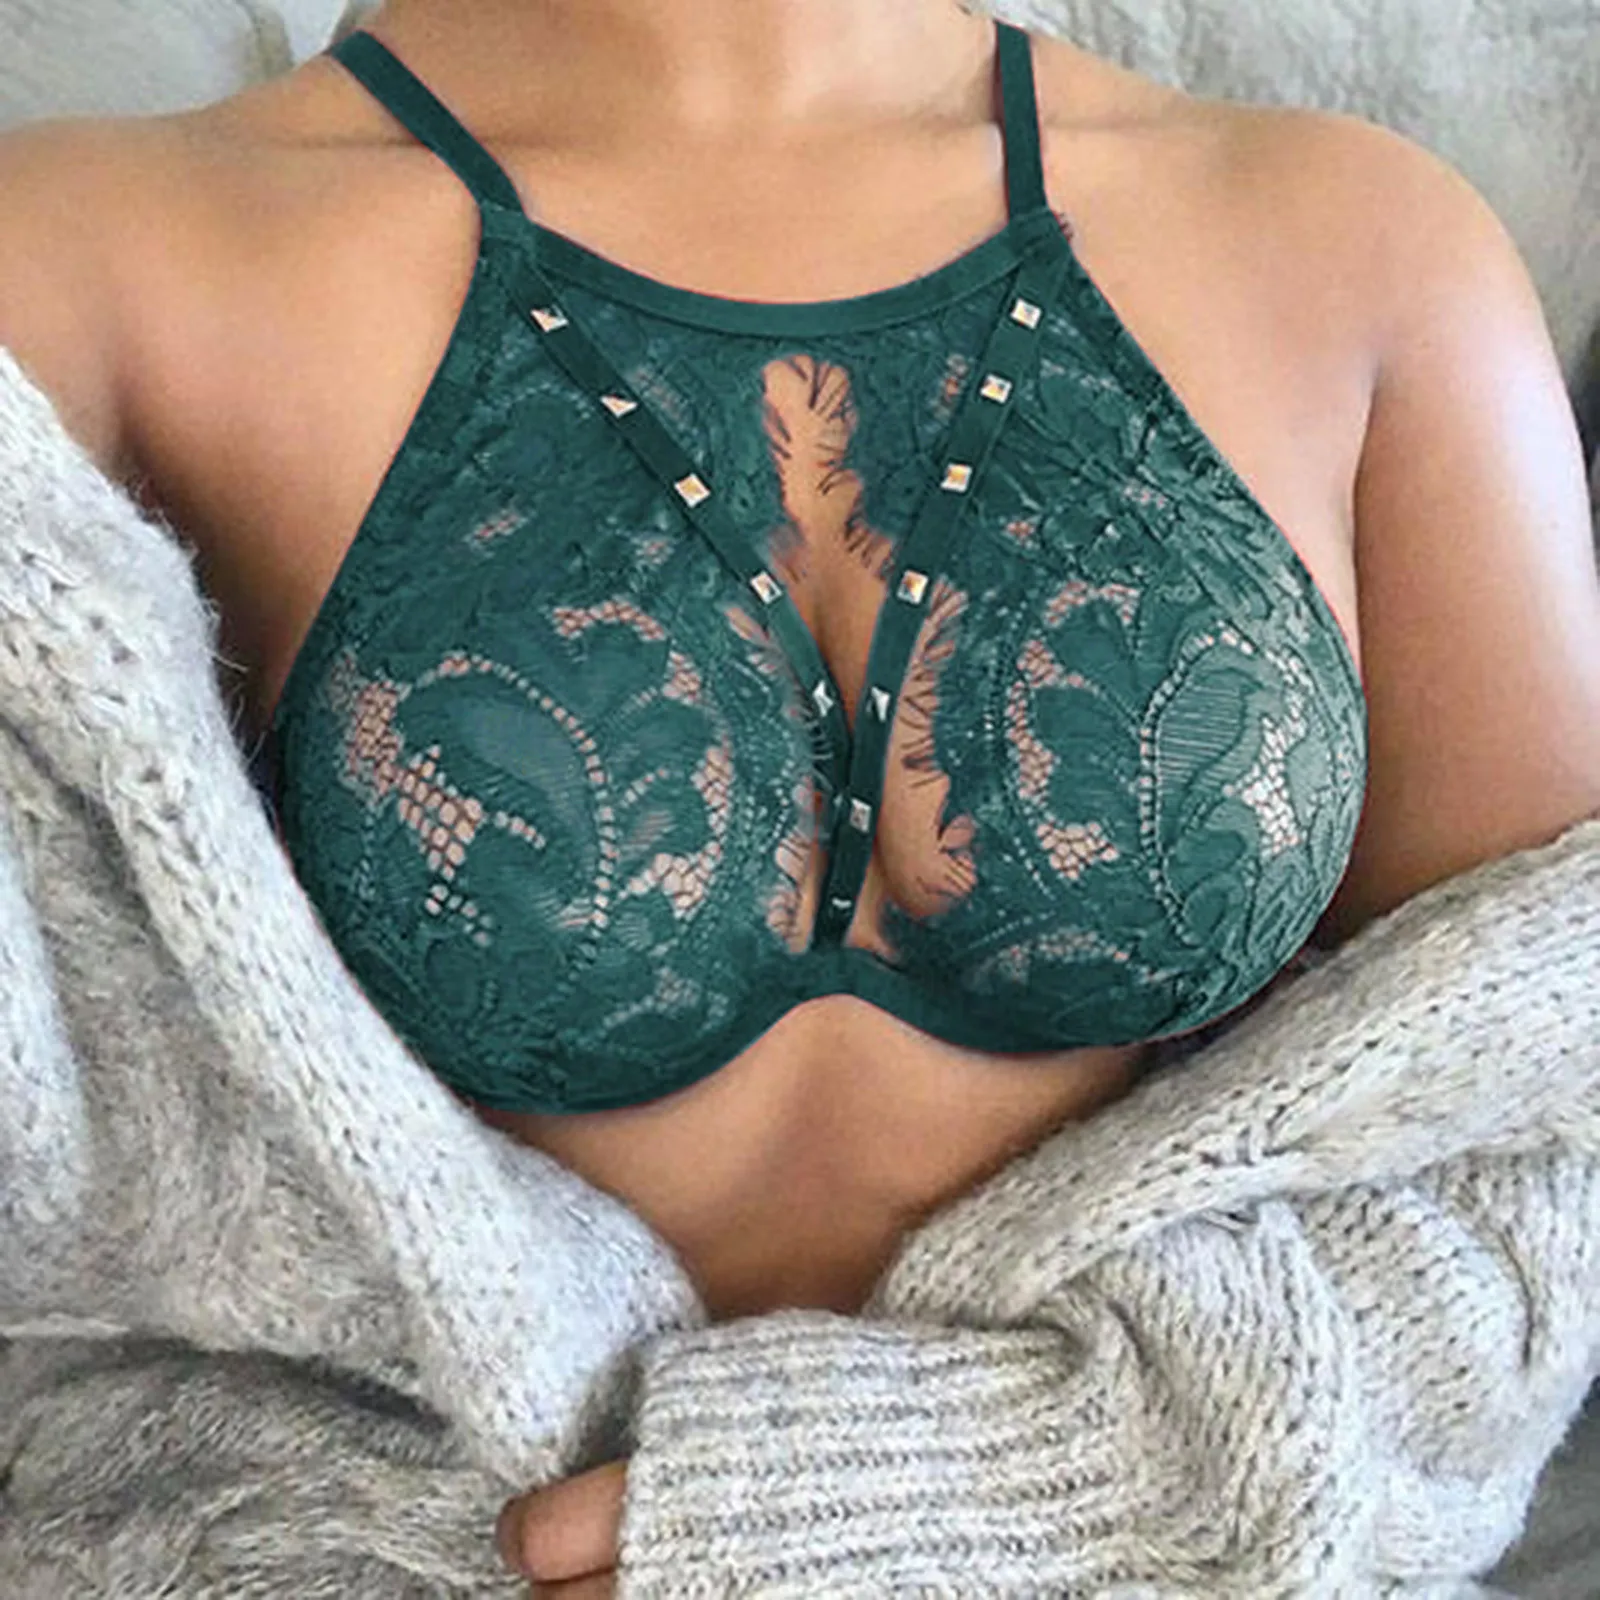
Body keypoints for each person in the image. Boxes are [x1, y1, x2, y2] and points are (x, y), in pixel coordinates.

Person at [1, 1, 1597, 1592]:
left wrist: (1022, 1485)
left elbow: (1544, 1132)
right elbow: (62, 1243)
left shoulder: (1361, 247)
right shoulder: (85, 263)